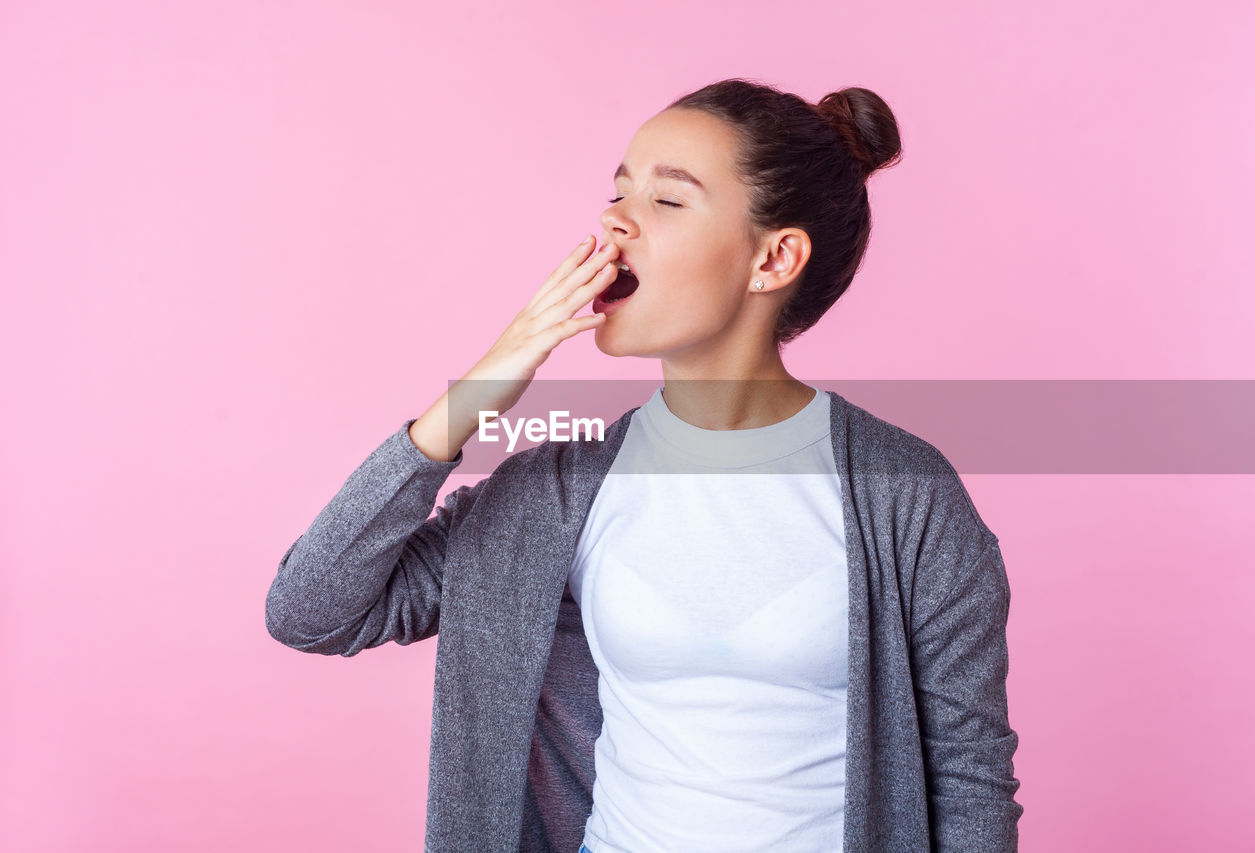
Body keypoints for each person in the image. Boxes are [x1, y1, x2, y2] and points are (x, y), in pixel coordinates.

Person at [266, 78, 1024, 852]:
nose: (613, 220)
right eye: (618, 191)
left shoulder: (907, 495)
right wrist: (481, 390)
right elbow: (311, 609)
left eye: (668, 200)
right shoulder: (555, 493)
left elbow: (968, 776)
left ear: (774, 258)